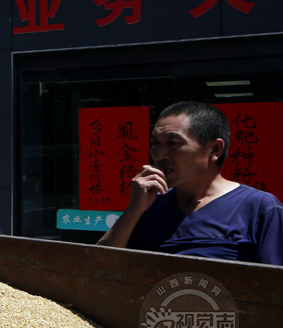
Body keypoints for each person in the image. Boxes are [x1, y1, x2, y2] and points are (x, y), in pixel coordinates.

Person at [97, 101, 283, 264]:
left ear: (214, 149)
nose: (159, 154)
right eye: (155, 143)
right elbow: (98, 266)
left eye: (173, 143)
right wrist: (133, 211)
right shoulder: (150, 206)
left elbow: (273, 288)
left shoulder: (260, 208)